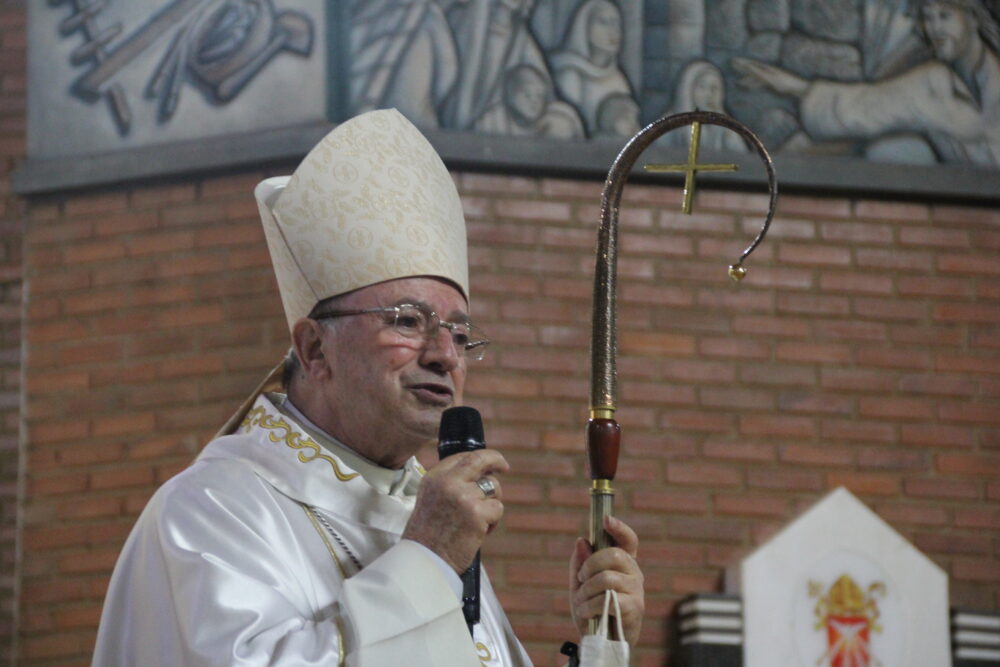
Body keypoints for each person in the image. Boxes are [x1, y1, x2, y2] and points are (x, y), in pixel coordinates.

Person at [92, 108, 644, 665]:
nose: (445, 355)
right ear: (314, 350)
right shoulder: (209, 513)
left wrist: (602, 646)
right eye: (407, 321)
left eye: (458, 332)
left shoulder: (424, 517)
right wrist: (425, 564)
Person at [732, 0, 1000, 165]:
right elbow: (876, 109)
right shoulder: (937, 75)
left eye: (944, 16)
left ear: (974, 18)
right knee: (892, 149)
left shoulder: (943, 83)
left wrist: (797, 88)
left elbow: (875, 107)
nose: (934, 29)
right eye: (928, 18)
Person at [549, 0, 636, 137]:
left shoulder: (618, 78)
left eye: (616, 24)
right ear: (584, 27)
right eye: (603, 22)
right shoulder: (570, 74)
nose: (613, 31)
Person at [478, 64, 585, 138]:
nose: (534, 102)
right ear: (511, 97)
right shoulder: (492, 121)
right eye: (527, 95)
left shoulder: (559, 121)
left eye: (539, 96)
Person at [665, 60, 748, 152]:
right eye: (702, 87)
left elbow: (742, 158)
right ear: (689, 90)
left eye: (714, 88)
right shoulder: (669, 125)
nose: (709, 95)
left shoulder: (726, 129)